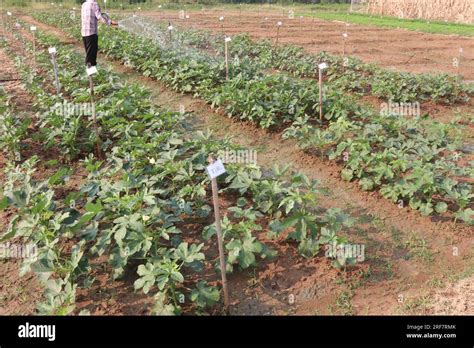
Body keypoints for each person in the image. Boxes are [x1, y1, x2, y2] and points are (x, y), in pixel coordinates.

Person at [81, 0, 118, 67]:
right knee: (91, 57)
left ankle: (90, 74)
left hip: (84, 33)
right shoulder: (94, 4)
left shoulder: (84, 4)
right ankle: (90, 73)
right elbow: (99, 17)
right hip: (91, 33)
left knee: (88, 54)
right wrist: (110, 22)